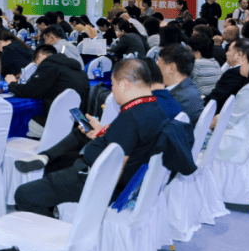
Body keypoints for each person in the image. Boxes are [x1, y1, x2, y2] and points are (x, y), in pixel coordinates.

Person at [13, 59, 172, 217]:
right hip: (119, 179)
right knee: (60, 162)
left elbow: (113, 171)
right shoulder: (157, 110)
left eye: (113, 84)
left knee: (24, 194)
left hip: (95, 181)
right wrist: (101, 133)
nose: (113, 90)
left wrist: (84, 184)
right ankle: (47, 163)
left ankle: (53, 231)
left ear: (124, 84)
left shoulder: (130, 118)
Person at [5, 45, 89, 139]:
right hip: (78, 123)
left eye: (36, 64)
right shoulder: (79, 71)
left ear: (40, 56)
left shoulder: (48, 65)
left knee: (22, 123)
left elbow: (28, 90)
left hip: (56, 125)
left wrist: (11, 84)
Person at [156, 44, 203, 124]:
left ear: (171, 68)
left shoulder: (177, 99)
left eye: (159, 61)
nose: (156, 65)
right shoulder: (189, 86)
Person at [205, 40, 249, 114]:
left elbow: (214, 98)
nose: (226, 53)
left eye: (229, 50)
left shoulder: (233, 74)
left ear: (239, 55)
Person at [188, 34, 224, 98]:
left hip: (202, 99)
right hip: (211, 99)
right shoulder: (214, 62)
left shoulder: (196, 64)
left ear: (191, 49)